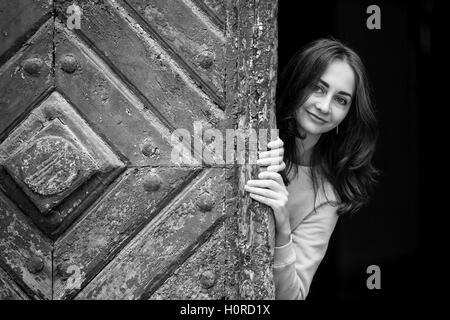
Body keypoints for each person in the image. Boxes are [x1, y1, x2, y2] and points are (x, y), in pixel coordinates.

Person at [244, 38, 380, 299]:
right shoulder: (251, 126)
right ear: (298, 81)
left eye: (341, 100)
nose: (324, 106)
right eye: (318, 88)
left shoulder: (326, 196)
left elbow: (292, 297)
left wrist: (282, 227)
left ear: (348, 114)